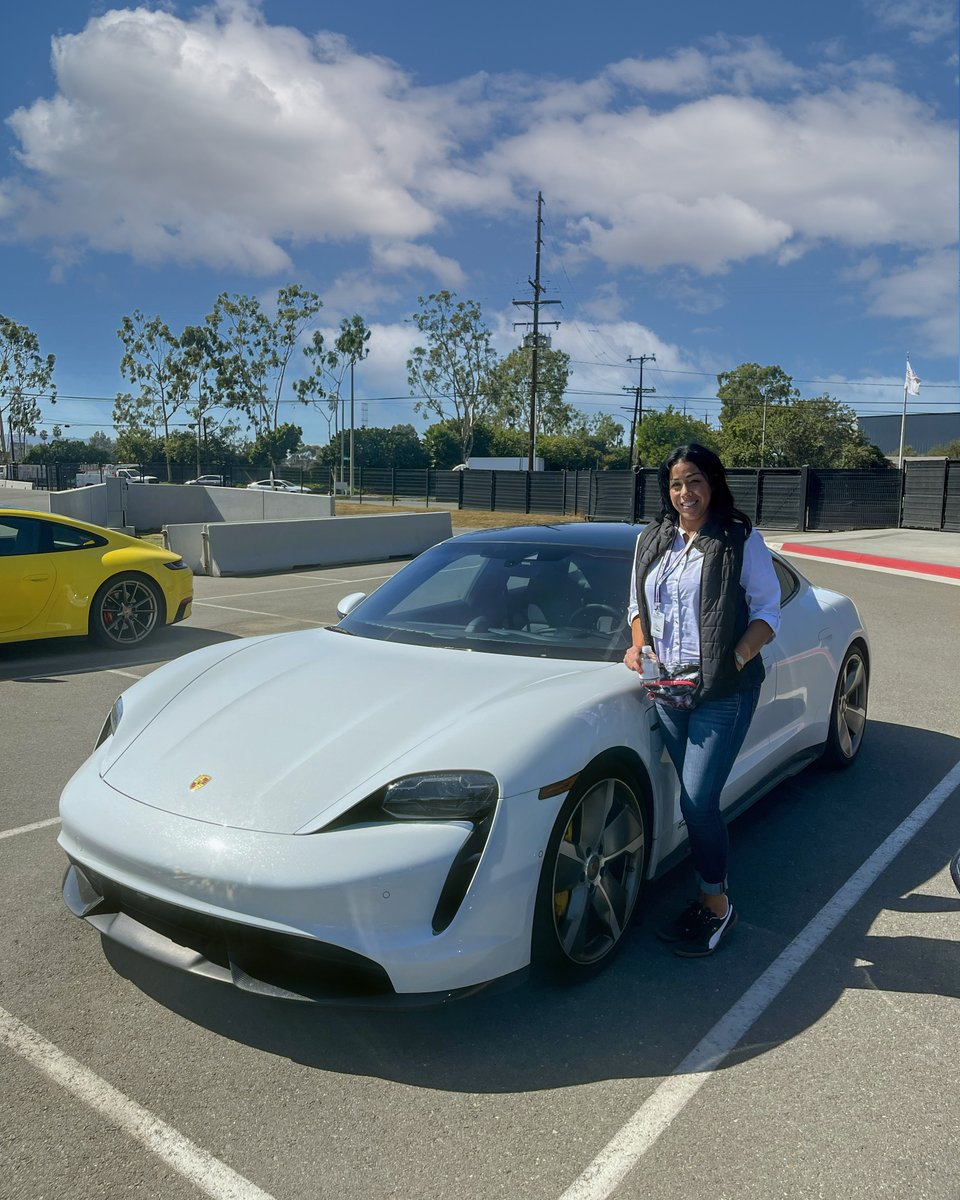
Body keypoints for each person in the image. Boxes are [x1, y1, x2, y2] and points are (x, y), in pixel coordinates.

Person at [624, 444, 780, 957]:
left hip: (722, 692)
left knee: (698, 799)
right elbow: (636, 605)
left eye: (694, 481)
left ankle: (716, 906)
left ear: (712, 482)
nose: (684, 493)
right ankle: (704, 891)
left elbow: (767, 612)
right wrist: (638, 643)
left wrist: (734, 658)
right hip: (667, 690)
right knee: (692, 799)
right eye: (675, 484)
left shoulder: (738, 538)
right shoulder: (653, 540)